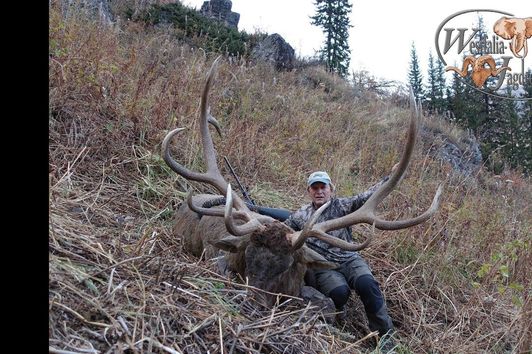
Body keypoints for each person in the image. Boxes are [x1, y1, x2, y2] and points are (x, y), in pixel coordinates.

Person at [284, 169, 397, 346]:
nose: (319, 191)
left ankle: (385, 336)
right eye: (315, 188)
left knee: (367, 285)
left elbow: (367, 196)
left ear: (331, 189)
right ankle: (338, 311)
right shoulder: (300, 216)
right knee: (339, 293)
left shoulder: (342, 205)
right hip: (324, 265)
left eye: (323, 187)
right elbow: (282, 230)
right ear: (309, 191)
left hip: (349, 259)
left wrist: (391, 177)